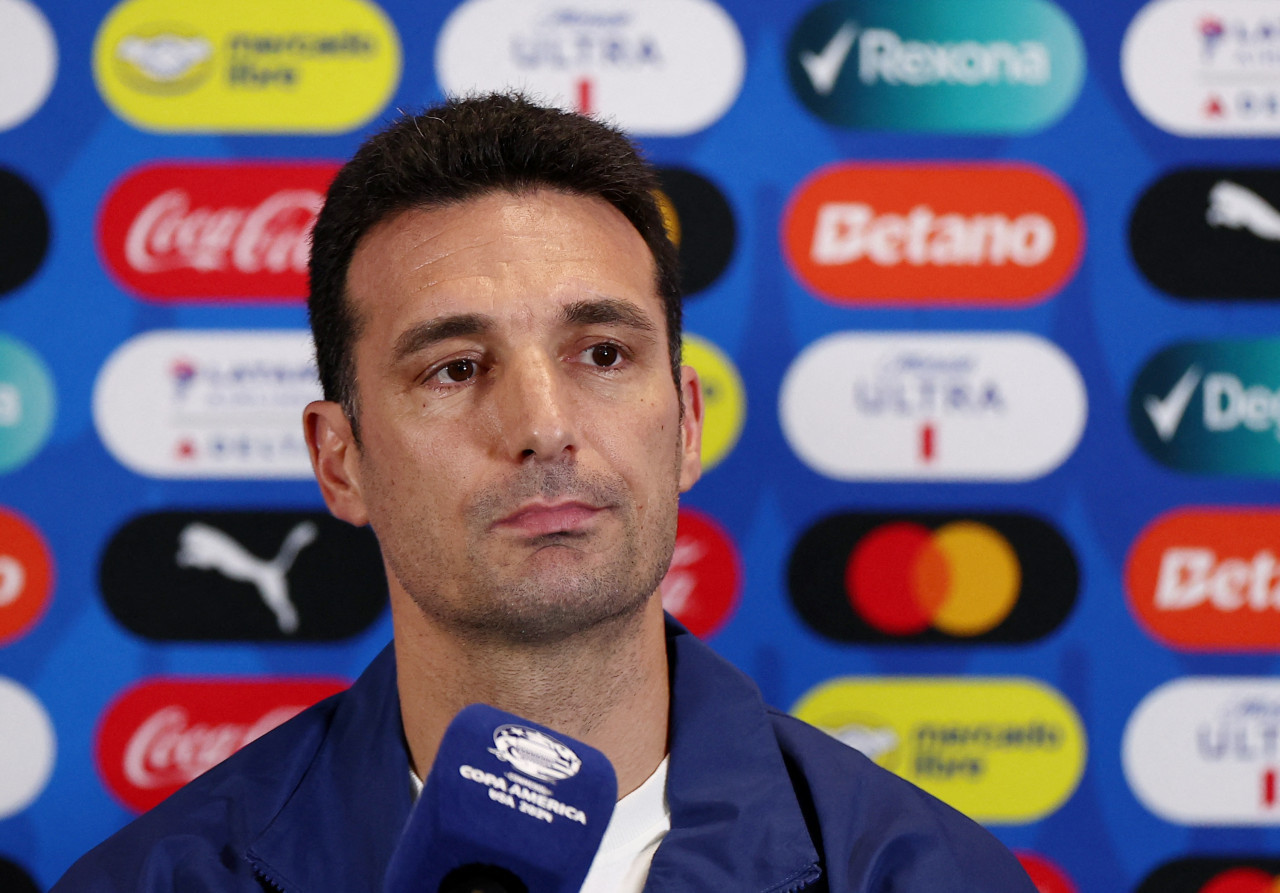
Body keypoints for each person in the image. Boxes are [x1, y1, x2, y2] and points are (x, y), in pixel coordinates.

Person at [54, 93, 1037, 892]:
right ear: (339, 459)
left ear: (686, 422)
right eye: (452, 367)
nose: (541, 423)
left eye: (601, 353)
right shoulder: (155, 879)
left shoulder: (928, 873)